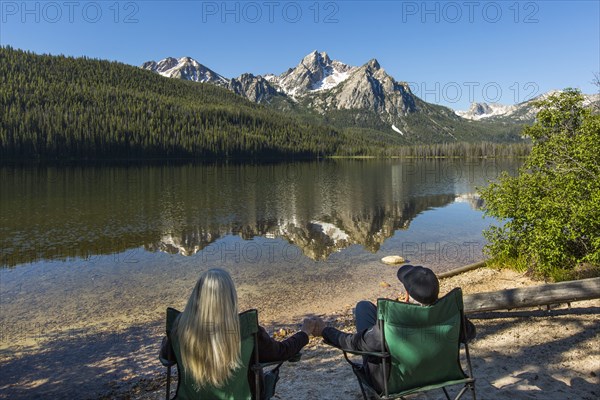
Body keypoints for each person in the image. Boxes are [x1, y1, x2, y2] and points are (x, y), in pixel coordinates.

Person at [160, 268, 323, 395]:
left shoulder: (179, 328)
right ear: (230, 297)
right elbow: (281, 352)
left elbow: (166, 357)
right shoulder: (246, 330)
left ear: (196, 297)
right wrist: (304, 332)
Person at [317, 264, 476, 393]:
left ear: (407, 294)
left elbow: (353, 344)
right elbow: (470, 334)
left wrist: (325, 331)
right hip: (442, 374)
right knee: (368, 310)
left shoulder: (391, 325)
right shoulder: (450, 315)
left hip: (390, 384)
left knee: (363, 307)